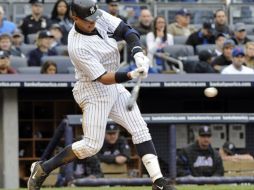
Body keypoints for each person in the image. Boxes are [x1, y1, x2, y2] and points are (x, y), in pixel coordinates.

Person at [27, 1, 176, 190]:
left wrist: (138, 53)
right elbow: (103, 78)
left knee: (140, 129)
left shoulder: (97, 16)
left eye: (94, 18)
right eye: (88, 20)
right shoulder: (77, 46)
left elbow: (127, 31)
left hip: (114, 86)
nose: (93, 22)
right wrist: (130, 74)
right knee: (91, 146)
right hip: (93, 89)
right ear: (75, 18)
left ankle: (158, 182)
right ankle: (43, 167)